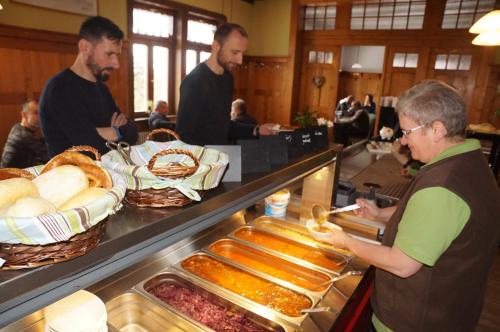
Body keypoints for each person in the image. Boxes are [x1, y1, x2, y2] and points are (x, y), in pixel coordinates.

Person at [324, 80, 500, 331]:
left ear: (437, 129)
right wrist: (381, 214)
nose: (404, 142)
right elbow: (439, 219)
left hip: (415, 321)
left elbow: (402, 264)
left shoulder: (443, 187)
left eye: (407, 132)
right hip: (452, 313)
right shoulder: (469, 160)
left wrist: (344, 241)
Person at [39, 16, 138, 157]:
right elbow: (89, 150)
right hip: (70, 175)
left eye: (117, 55)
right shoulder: (60, 89)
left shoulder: (102, 89)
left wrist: (107, 132)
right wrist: (116, 131)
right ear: (85, 47)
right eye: (109, 54)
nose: (116, 64)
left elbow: (132, 132)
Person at [176, 23, 274, 145]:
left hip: (221, 156)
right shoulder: (194, 82)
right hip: (203, 161)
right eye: (234, 52)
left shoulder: (227, 78)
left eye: (242, 53)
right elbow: (184, 136)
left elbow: (223, 125)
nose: (240, 60)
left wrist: (257, 130)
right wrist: (209, 160)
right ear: (216, 46)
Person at [0, 99, 48, 168]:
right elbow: (47, 156)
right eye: (35, 113)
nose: (40, 116)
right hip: (9, 176)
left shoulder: (17, 127)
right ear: (23, 114)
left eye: (40, 113)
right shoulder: (23, 135)